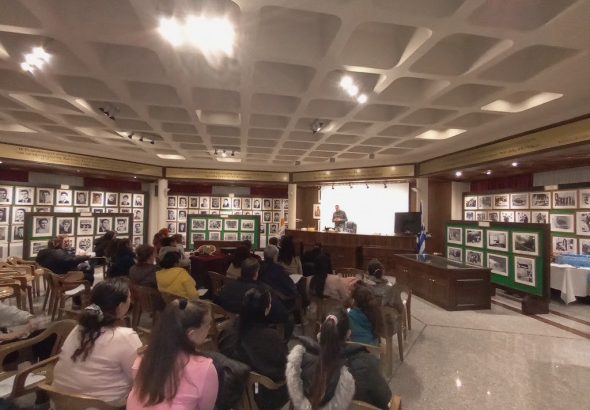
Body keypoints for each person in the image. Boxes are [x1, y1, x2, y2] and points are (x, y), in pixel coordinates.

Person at [53, 278, 142, 406]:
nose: (131, 301)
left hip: (61, 401)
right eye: (129, 298)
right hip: (103, 406)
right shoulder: (126, 337)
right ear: (120, 306)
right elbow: (139, 377)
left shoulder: (79, 328)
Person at [286, 309, 391, 410]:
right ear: (348, 334)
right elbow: (385, 398)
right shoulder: (365, 365)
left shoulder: (301, 362)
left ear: (321, 333)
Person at [127, 299, 217, 410]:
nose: (210, 328)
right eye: (208, 325)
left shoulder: (143, 358)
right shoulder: (205, 369)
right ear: (191, 334)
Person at [219, 288, 288, 409]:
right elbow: (282, 368)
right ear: (266, 309)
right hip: (265, 397)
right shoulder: (272, 338)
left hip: (236, 393)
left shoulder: (227, 332)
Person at [215, 258, 292, 338]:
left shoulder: (227, 287)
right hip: (255, 326)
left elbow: (218, 303)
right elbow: (281, 313)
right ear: (256, 273)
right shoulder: (262, 291)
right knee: (289, 318)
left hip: (233, 325)